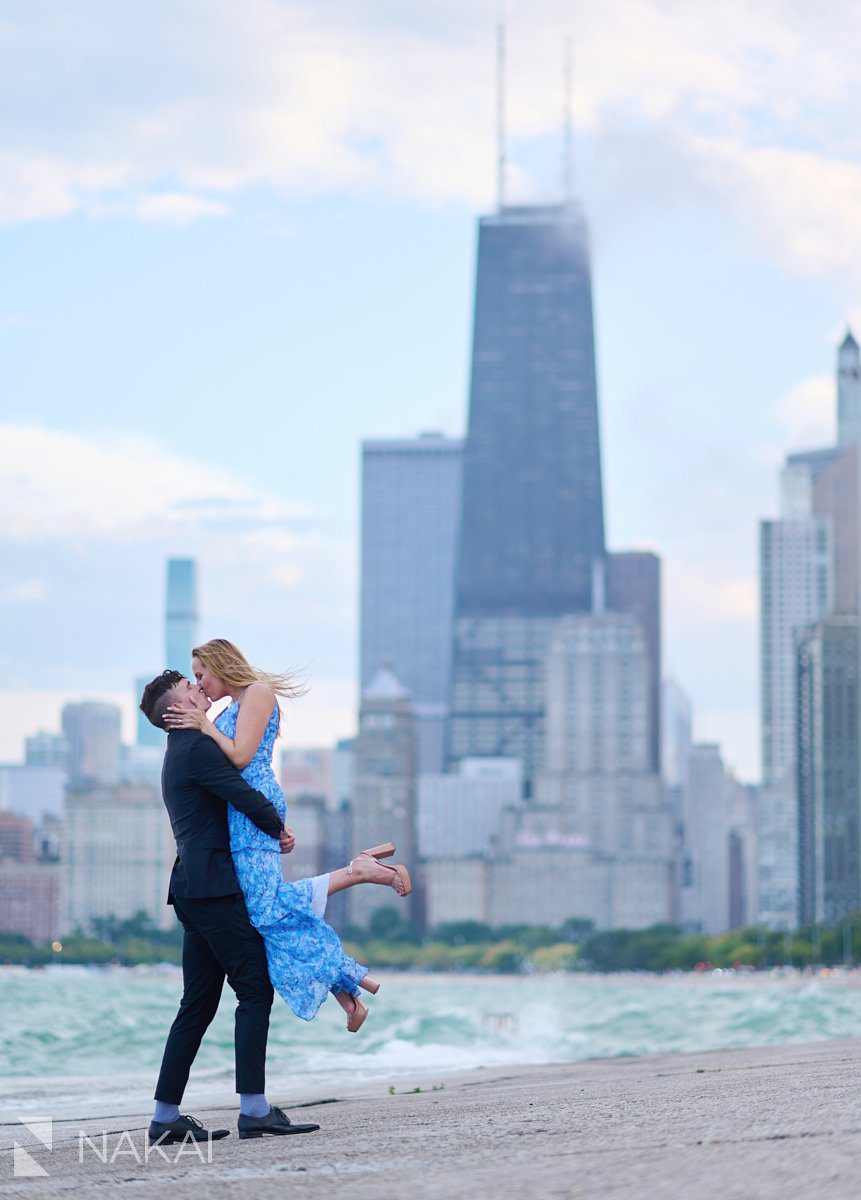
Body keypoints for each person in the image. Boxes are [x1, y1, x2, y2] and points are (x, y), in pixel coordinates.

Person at [163, 637, 412, 1036]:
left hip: (251, 806)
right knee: (264, 916)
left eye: (200, 674)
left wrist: (205, 726)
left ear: (219, 664)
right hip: (243, 816)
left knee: (264, 911)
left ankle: (360, 874)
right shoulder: (232, 705)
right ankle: (345, 986)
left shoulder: (256, 694)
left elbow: (241, 757)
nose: (200, 683)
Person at [139, 670, 321, 1145]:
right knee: (255, 990)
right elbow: (240, 793)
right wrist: (276, 826)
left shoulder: (178, 752)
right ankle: (255, 1111)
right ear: (176, 712)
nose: (201, 692)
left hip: (191, 889)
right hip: (214, 890)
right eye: (191, 692)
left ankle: (165, 1118)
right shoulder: (197, 749)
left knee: (197, 1004)